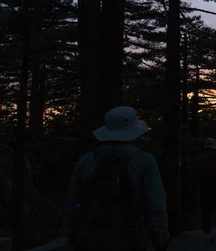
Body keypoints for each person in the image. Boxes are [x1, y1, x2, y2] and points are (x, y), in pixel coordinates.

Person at [64, 106, 170, 251]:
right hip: (131, 240)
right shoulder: (144, 161)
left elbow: (72, 203)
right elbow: (155, 205)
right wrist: (161, 240)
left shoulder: (85, 161)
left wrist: (71, 236)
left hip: (89, 239)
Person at [196, 137, 216, 244]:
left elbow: (197, 174)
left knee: (206, 211)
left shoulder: (200, 159)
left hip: (204, 186)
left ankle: (207, 234)